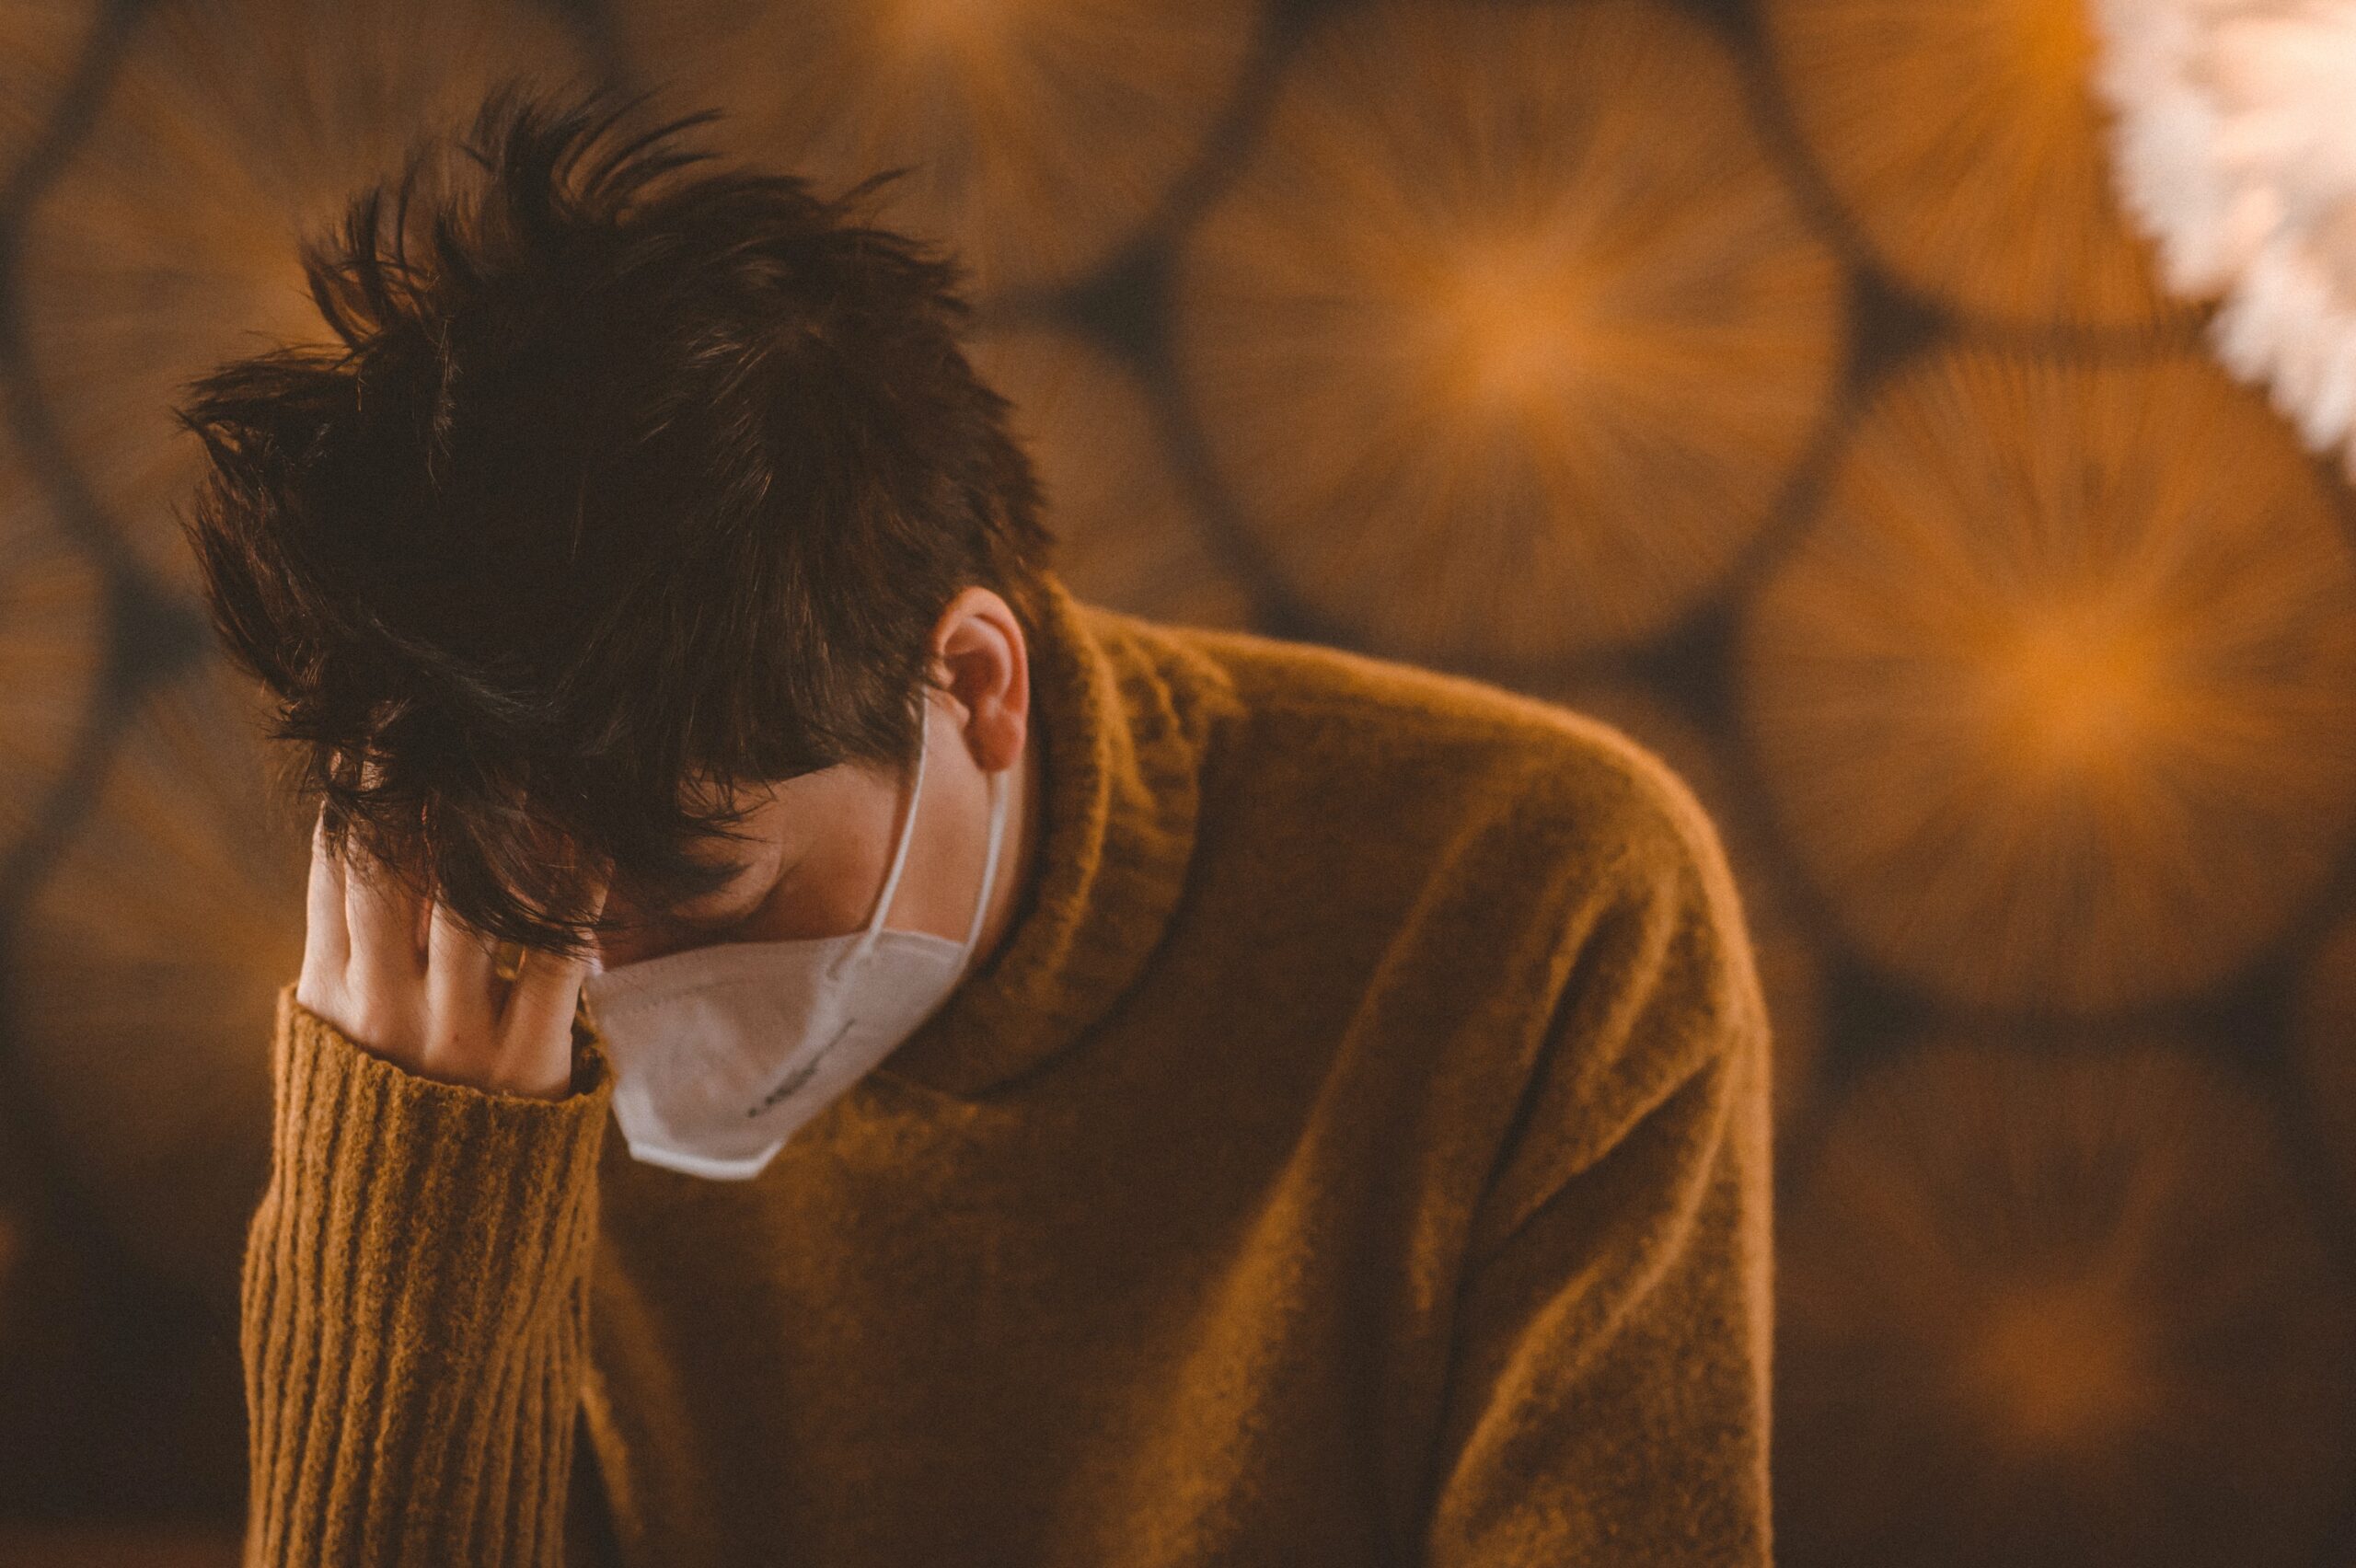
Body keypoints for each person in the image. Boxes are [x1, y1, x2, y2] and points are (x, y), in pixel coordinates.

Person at [173, 79, 1774, 1568]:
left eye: (705, 882)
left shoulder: (1551, 905)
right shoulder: (460, 999)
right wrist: (411, 1181)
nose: (602, 995)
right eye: (537, 908)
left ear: (971, 684)